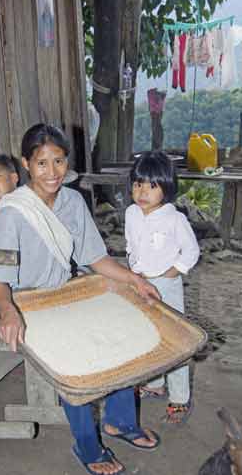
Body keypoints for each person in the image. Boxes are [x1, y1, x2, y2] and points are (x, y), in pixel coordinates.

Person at [0, 124, 161, 475]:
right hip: (28, 304)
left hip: (69, 292)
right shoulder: (13, 211)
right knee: (74, 362)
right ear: (25, 165)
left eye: (60, 162)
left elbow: (94, 257)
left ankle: (119, 421)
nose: (52, 173)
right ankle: (86, 444)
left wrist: (134, 279)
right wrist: (7, 312)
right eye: (42, 164)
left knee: (121, 331)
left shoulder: (72, 201)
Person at [125, 151, 200, 425]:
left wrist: (175, 270)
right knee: (148, 336)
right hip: (141, 283)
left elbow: (191, 250)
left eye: (151, 185)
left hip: (166, 286)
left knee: (174, 339)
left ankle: (179, 398)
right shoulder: (131, 214)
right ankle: (154, 383)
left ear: (166, 187)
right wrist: (133, 270)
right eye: (138, 184)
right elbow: (131, 244)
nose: (142, 191)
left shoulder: (174, 219)